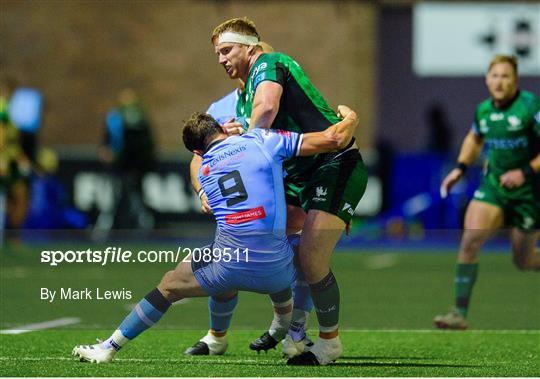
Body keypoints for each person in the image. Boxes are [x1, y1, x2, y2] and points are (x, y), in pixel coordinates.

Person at [72, 106, 359, 364]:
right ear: (224, 128)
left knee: (169, 284)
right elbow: (332, 139)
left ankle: (109, 347)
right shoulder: (262, 140)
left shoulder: (205, 171)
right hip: (276, 269)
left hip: (226, 269)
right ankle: (296, 329)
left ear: (197, 151)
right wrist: (351, 118)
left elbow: (208, 169)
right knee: (311, 252)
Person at [210, 17, 368, 365]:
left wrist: (244, 145)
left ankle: (326, 342)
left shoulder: (269, 62)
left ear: (249, 48)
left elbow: (266, 113)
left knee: (311, 257)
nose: (220, 59)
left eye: (226, 50)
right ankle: (290, 323)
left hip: (333, 164)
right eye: (217, 53)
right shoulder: (243, 98)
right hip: (303, 177)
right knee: (263, 241)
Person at [435, 55, 540, 330]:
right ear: (487, 79)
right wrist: (460, 168)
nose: (499, 81)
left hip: (530, 192)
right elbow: (475, 137)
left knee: (524, 260)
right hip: (494, 187)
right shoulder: (483, 110)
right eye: (495, 76)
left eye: (506, 76)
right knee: (470, 240)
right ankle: (458, 312)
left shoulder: (530, 106)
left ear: (515, 80)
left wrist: (524, 172)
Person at [96, 88, 156, 230]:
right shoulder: (114, 119)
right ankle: (105, 228)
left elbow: (145, 146)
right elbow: (107, 140)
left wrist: (142, 165)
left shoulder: (139, 120)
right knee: (113, 198)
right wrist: (105, 150)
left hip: (134, 167)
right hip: (118, 166)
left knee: (136, 198)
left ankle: (145, 226)